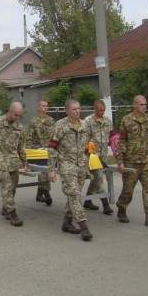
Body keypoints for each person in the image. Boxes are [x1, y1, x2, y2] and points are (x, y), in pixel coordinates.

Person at [47, 99, 93, 242]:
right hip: (66, 165)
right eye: (74, 109)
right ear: (66, 111)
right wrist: (51, 169)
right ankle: (84, 227)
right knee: (73, 194)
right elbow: (52, 147)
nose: (77, 111)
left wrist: (89, 157)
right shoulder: (60, 126)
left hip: (81, 165)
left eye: (79, 109)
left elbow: (88, 144)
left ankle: (67, 223)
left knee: (74, 196)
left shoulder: (85, 125)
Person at [115, 95, 148, 228]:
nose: (144, 107)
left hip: (146, 161)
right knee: (128, 190)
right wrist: (120, 162)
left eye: (145, 104)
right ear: (135, 105)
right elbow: (122, 142)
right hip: (131, 162)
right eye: (141, 104)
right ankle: (122, 208)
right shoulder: (126, 120)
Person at [0, 102, 27, 227]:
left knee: (13, 187)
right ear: (9, 112)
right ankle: (13, 214)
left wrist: (24, 161)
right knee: (6, 187)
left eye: (20, 116)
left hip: (13, 160)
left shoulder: (20, 127)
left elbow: (21, 147)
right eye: (16, 115)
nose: (18, 118)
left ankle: (6, 208)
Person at [82, 100, 114, 215]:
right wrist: (89, 151)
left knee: (96, 179)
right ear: (95, 109)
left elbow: (111, 137)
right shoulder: (87, 121)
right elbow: (83, 139)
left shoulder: (107, 121)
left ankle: (87, 201)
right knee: (99, 177)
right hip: (91, 156)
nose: (102, 112)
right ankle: (106, 205)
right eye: (100, 110)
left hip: (103, 155)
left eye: (104, 110)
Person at [27, 100, 55, 206]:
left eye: (47, 106)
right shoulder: (33, 121)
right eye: (43, 106)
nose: (45, 108)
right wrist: (28, 154)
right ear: (38, 108)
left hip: (47, 150)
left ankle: (41, 193)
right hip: (36, 150)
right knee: (43, 171)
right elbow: (29, 138)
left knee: (46, 171)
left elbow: (53, 136)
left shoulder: (51, 120)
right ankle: (46, 193)